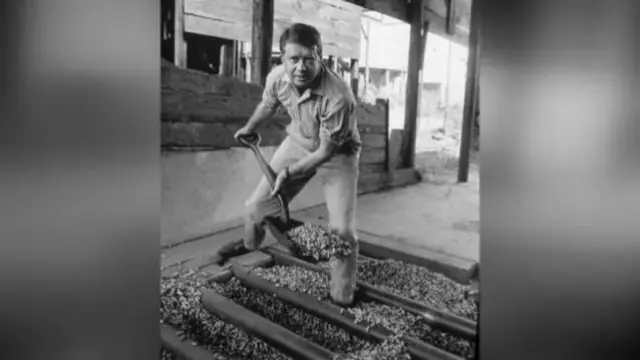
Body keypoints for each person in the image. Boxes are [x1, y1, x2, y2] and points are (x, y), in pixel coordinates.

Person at [234, 23, 361, 306]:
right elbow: (269, 104)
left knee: (342, 232)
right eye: (294, 59)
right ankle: (250, 253)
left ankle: (342, 296)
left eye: (308, 59)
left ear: (321, 58)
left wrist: (289, 173)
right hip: (299, 141)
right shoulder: (278, 78)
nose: (301, 67)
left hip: (338, 155)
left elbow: (326, 153)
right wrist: (250, 126)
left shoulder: (339, 97)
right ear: (283, 60)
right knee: (255, 207)